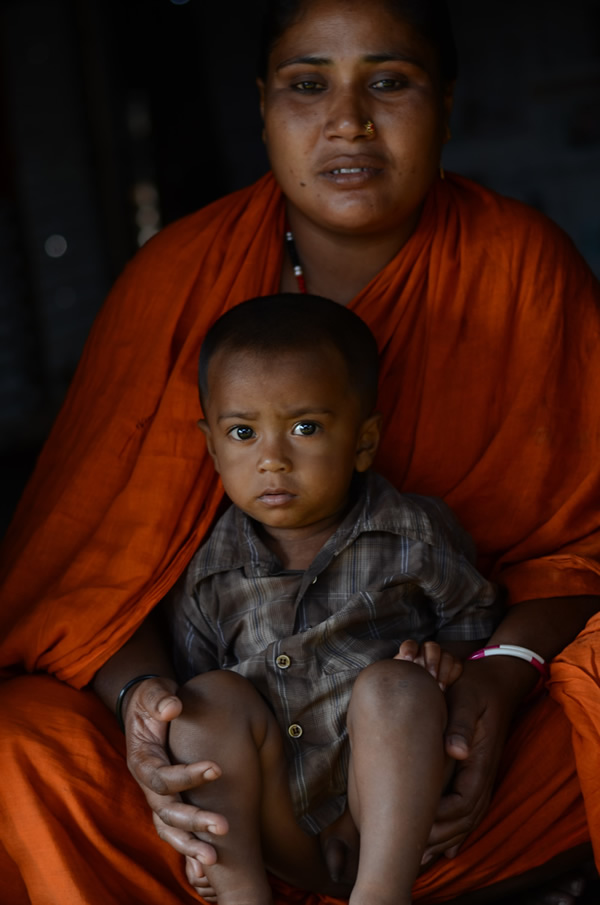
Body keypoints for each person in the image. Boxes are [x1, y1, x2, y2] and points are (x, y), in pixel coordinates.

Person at [0, 1, 599, 904]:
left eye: (389, 82)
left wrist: (499, 681)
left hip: (454, 748)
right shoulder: (176, 278)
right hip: (239, 782)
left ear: (444, 103)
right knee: (21, 744)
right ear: (263, 105)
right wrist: (144, 710)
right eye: (308, 84)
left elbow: (575, 548)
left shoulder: (522, 266)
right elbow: (85, 575)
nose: (348, 120)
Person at [165, 293, 501, 905]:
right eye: (242, 432)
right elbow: (205, 699)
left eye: (305, 428)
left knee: (398, 687)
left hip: (393, 808)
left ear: (364, 440)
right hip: (276, 819)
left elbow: (474, 623)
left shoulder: (414, 535)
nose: (272, 458)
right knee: (199, 703)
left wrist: (448, 665)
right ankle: (235, 886)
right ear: (212, 448)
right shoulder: (207, 572)